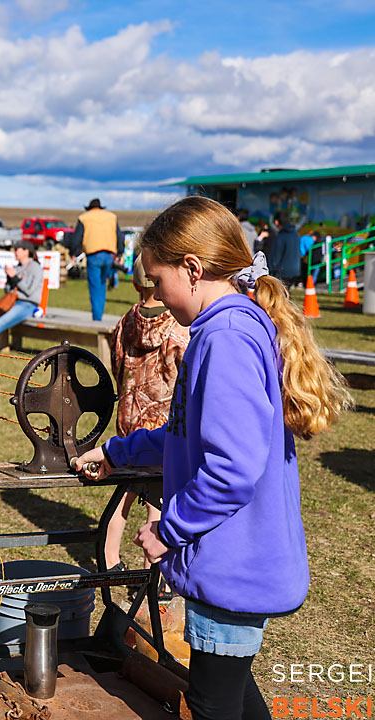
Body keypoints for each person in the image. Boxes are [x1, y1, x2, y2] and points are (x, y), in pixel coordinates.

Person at [74, 196, 352, 719]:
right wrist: (116, 451)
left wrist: (168, 529)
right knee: (232, 695)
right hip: (230, 557)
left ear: (193, 269)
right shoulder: (223, 330)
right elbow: (186, 436)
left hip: (233, 561)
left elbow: (231, 469)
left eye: (158, 279)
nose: (156, 293)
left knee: (211, 703)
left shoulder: (225, 338)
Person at [102, 253, 189, 583]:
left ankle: (109, 560)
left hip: (128, 421)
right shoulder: (178, 327)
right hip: (163, 428)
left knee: (121, 496)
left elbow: (116, 364)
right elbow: (187, 377)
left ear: (137, 284)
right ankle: (155, 573)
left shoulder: (125, 322)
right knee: (159, 499)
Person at [70, 198, 122, 321]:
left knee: (95, 286)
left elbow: (76, 238)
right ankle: (101, 310)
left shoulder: (84, 218)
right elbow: (119, 236)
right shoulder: (112, 217)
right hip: (109, 255)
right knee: (102, 283)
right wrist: (120, 252)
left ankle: (97, 316)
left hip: (93, 255)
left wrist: (73, 253)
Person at [267, 210, 302, 287]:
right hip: (295, 270)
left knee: (280, 292)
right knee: (286, 291)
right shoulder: (296, 234)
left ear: (277, 222)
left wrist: (271, 268)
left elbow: (276, 257)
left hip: (282, 271)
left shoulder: (281, 236)